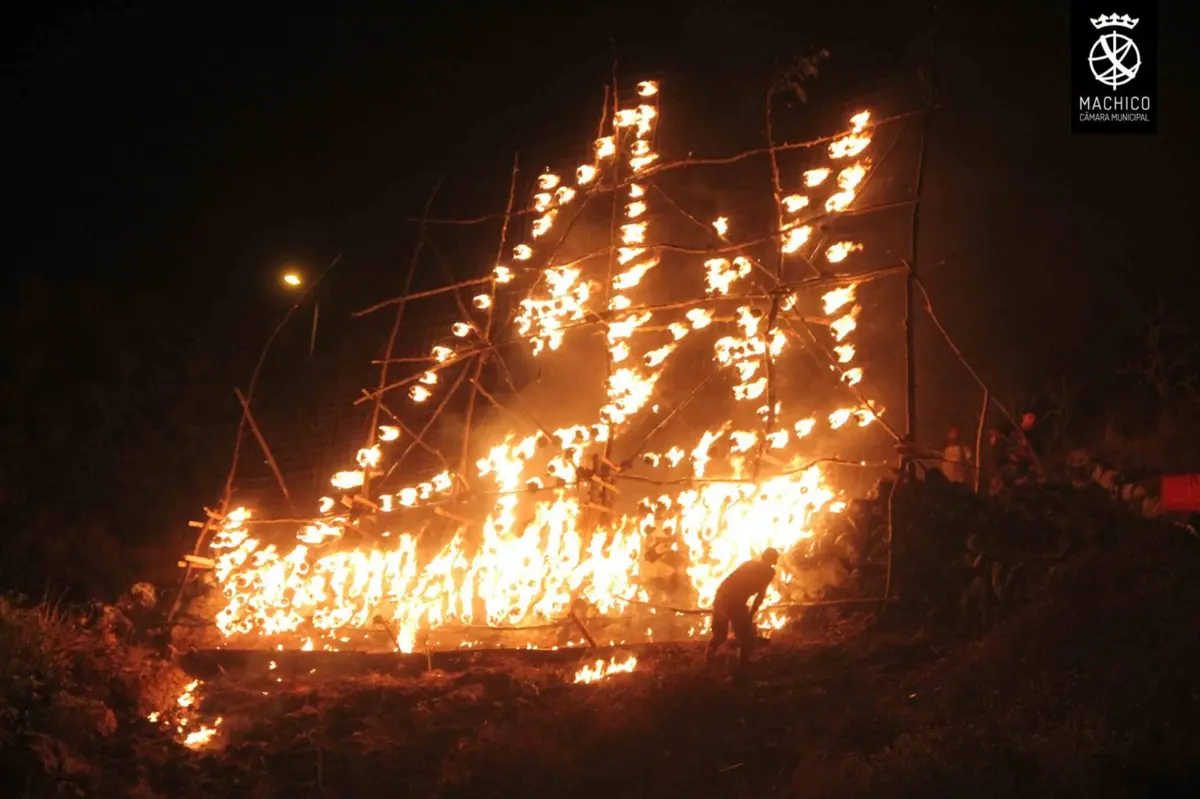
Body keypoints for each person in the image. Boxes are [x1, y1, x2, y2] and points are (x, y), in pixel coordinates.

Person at [706, 548, 779, 670]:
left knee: (720, 634)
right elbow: (760, 595)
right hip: (734, 600)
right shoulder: (768, 571)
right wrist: (750, 614)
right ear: (773, 559)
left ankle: (708, 661)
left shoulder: (749, 563)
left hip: (721, 595)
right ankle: (741, 669)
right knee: (748, 638)